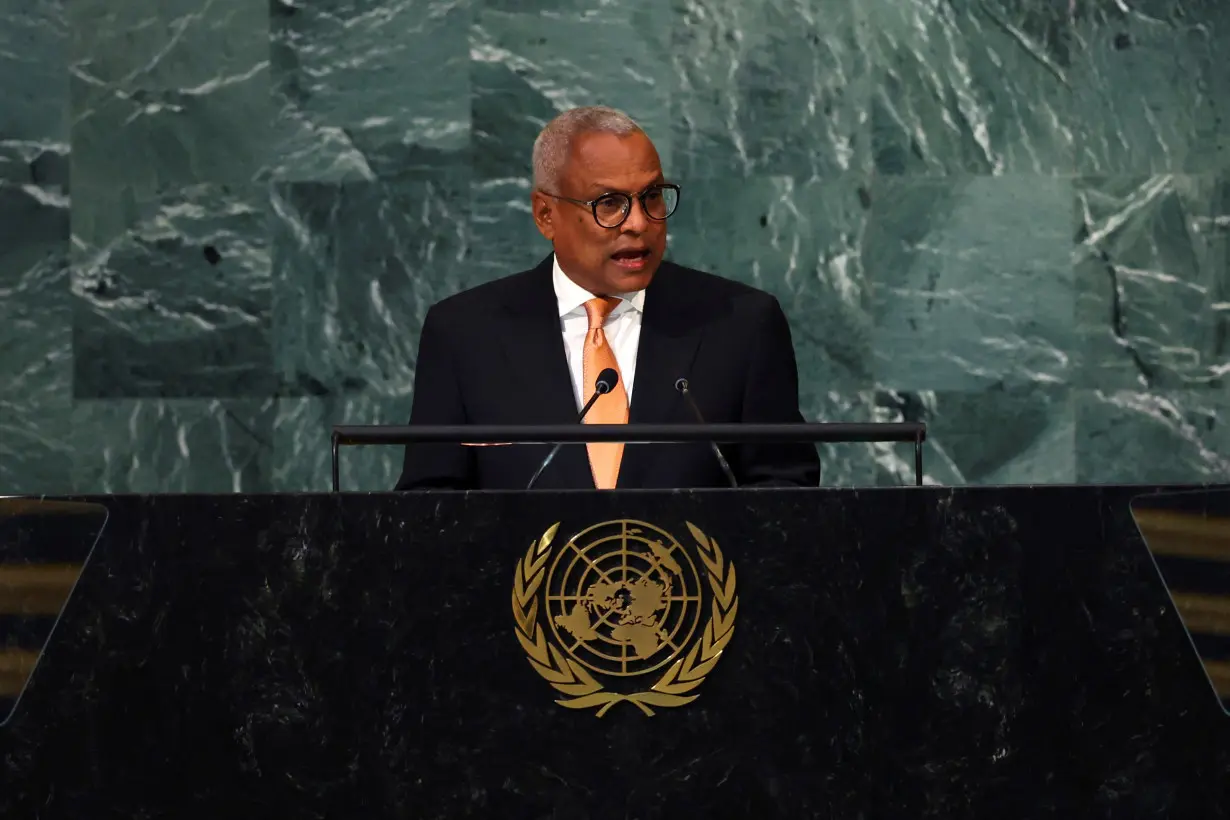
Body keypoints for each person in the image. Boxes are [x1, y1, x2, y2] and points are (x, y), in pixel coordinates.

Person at [395, 106, 820, 490]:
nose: (639, 223)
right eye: (609, 203)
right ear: (546, 215)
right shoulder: (465, 335)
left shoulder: (741, 325)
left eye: (652, 196)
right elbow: (430, 506)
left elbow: (784, 491)